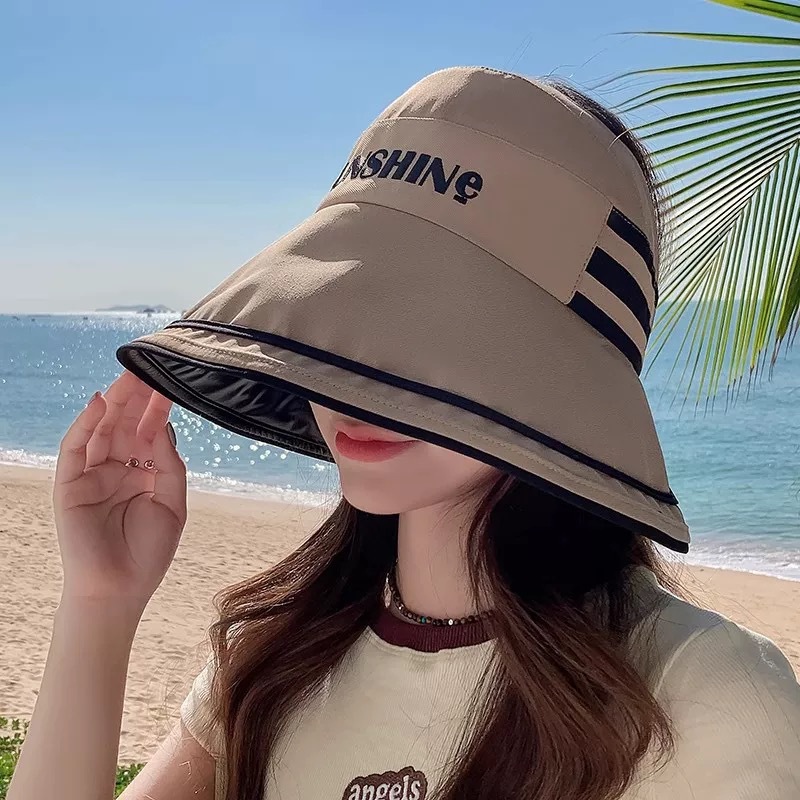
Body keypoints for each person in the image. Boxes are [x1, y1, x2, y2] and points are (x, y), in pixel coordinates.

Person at [9, 67, 800, 800]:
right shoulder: (270, 662)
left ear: (560, 383)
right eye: (345, 319)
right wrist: (100, 603)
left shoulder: (708, 697)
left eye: (432, 335)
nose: (363, 379)